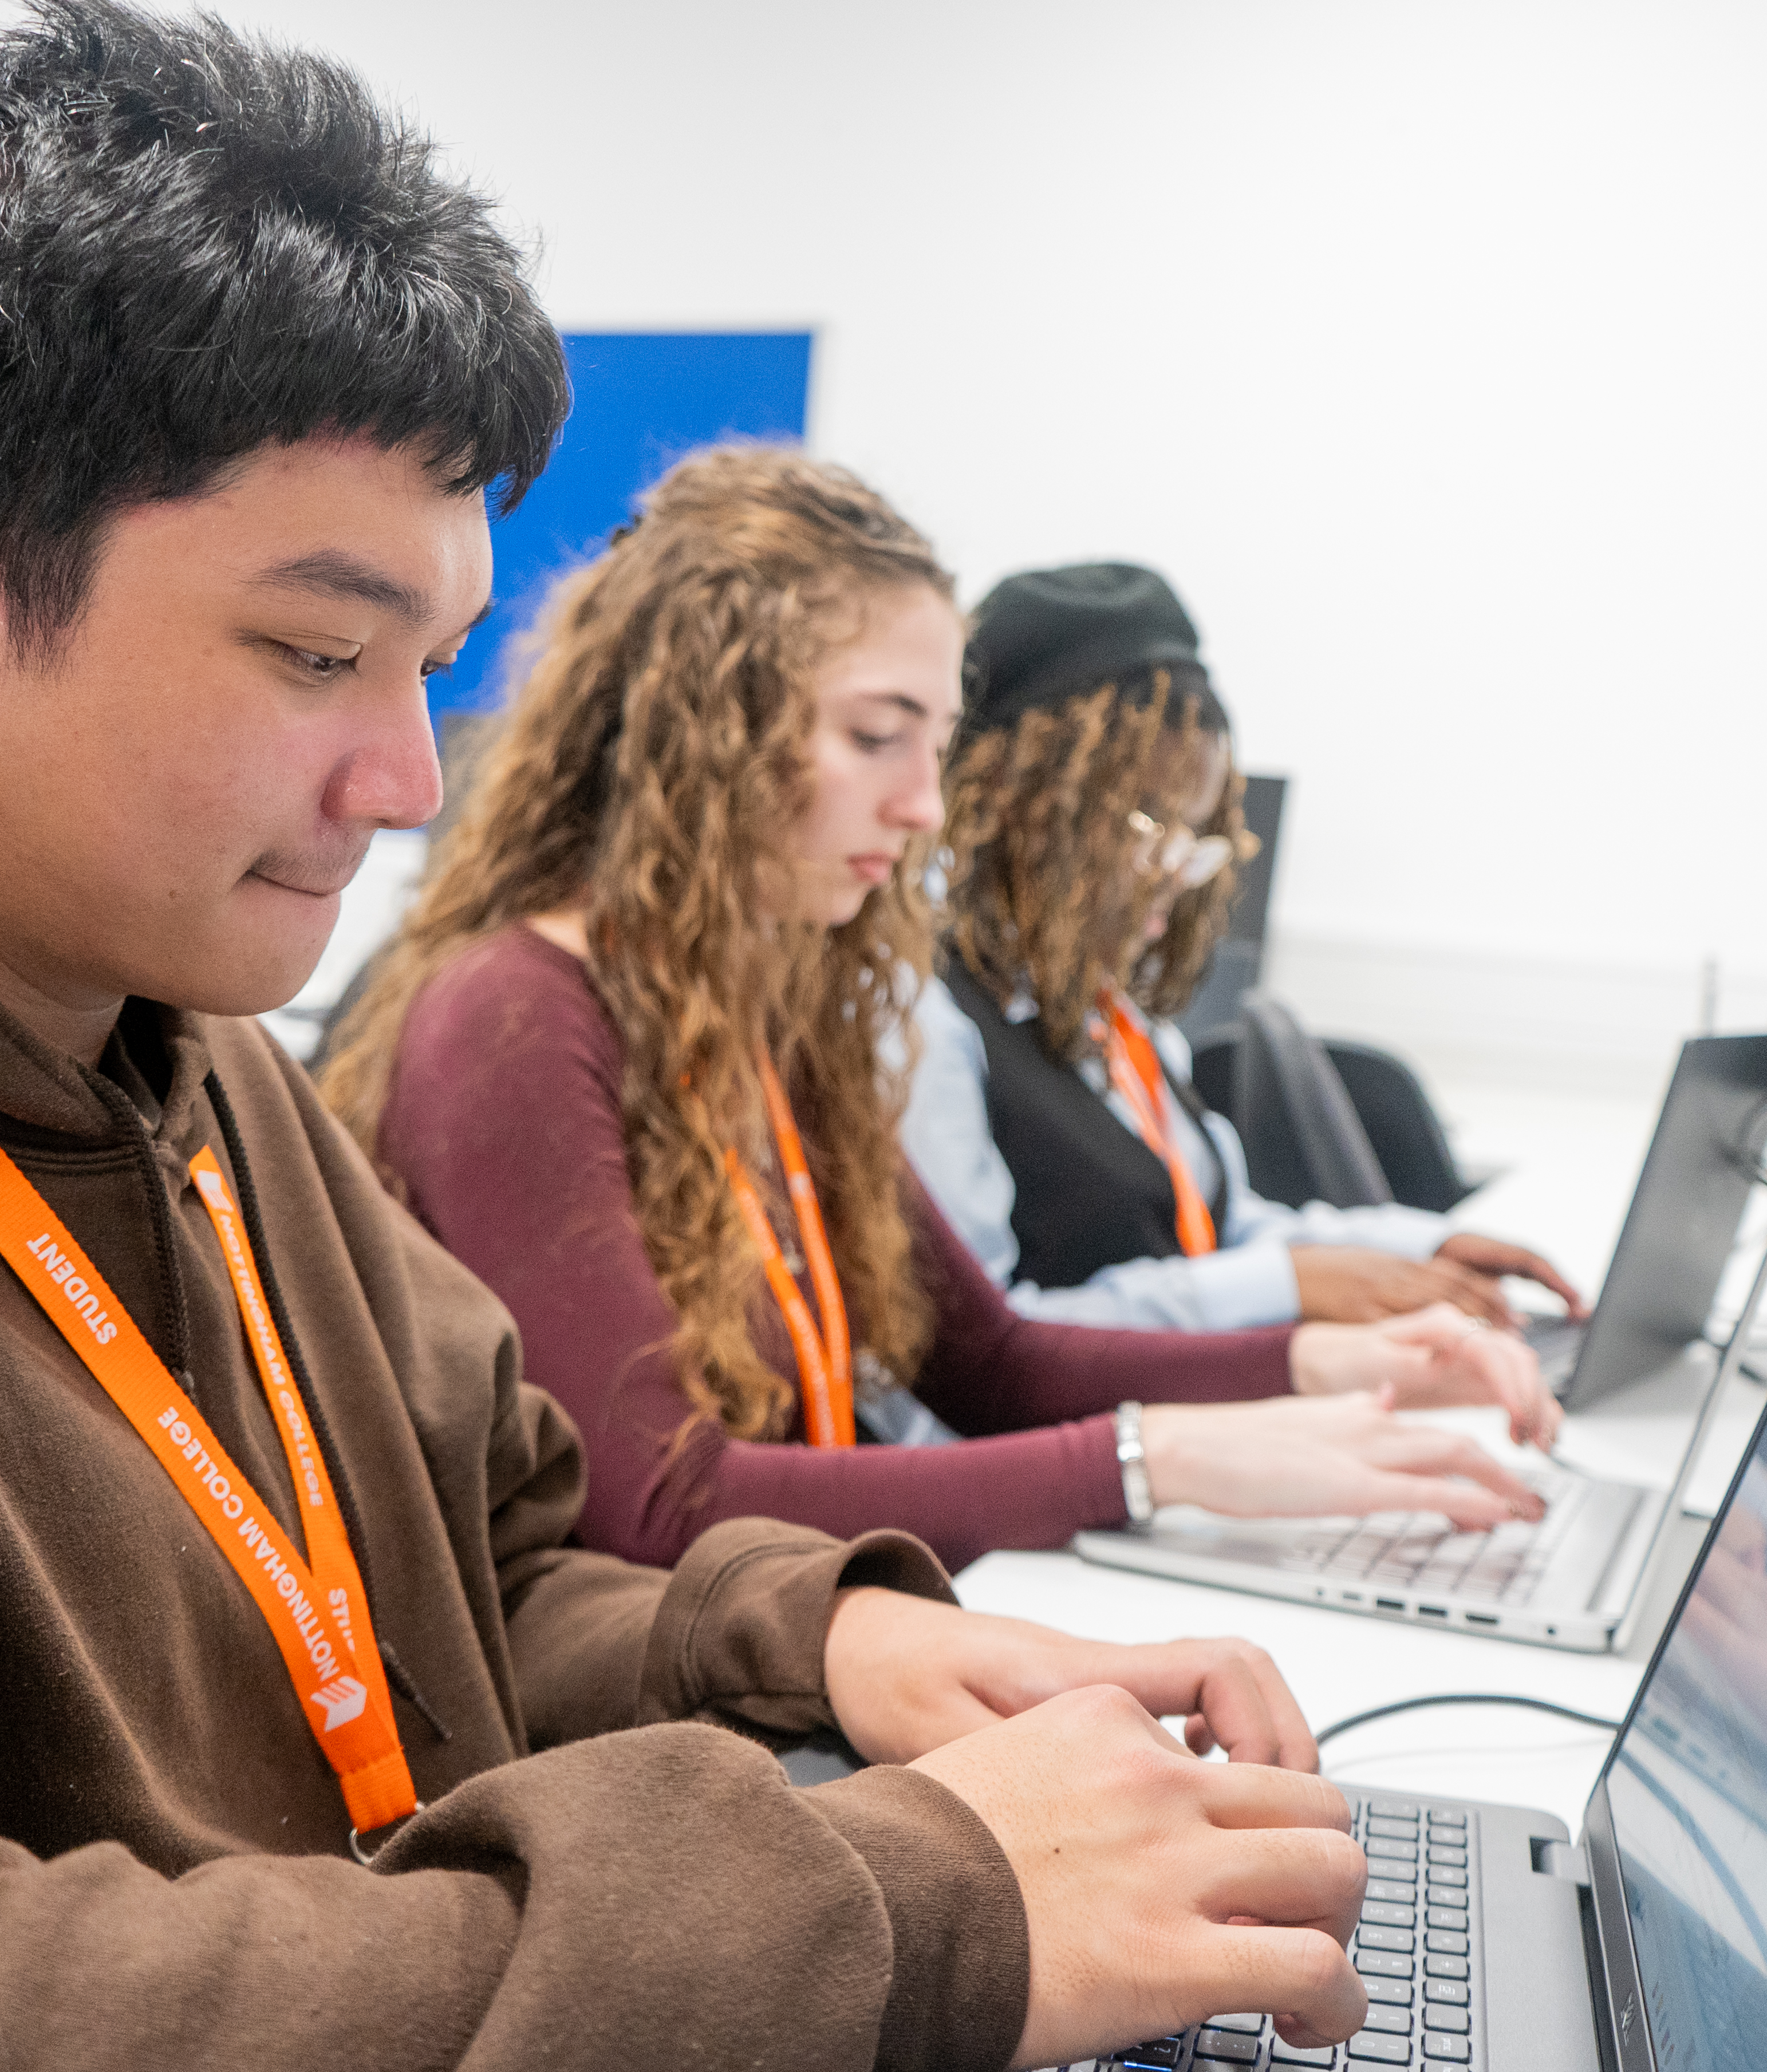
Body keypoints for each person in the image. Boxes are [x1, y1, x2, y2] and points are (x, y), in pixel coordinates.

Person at [0, 0, 1383, 2072]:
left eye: (428, 666)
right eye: (313, 652)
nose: (399, 774)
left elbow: (479, 1573)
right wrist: (895, 1911)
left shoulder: (179, 1046)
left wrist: (818, 1646)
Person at [319, 449, 1557, 1579]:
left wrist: (1326, 1361)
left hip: (781, 1636)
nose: (924, 806)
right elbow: (660, 1499)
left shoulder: (767, 1008)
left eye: (939, 747)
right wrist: (1156, 1460)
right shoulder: (512, 1022)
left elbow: (993, 1359)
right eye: (877, 738)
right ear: (707, 732)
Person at [910, 560, 1588, 1336]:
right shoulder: (930, 1021)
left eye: (1197, 839)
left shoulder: (1101, 1007)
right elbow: (992, 1349)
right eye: (1147, 831)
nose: (1177, 876)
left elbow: (1220, 1228)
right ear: (1028, 808)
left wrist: (1422, 1247)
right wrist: (1288, 1286)